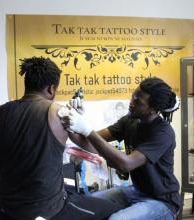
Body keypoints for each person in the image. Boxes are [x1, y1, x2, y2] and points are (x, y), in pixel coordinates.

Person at [0, 57, 120, 220]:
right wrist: (84, 126)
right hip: (49, 210)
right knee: (116, 210)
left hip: (9, 207)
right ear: (51, 89)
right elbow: (95, 150)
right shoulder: (60, 113)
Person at [62, 77, 181, 220]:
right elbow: (90, 142)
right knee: (88, 205)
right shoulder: (129, 121)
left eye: (138, 102)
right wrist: (73, 120)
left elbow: (126, 163)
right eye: (133, 96)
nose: (131, 103)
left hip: (162, 201)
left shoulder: (163, 133)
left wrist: (86, 129)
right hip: (136, 191)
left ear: (153, 109)